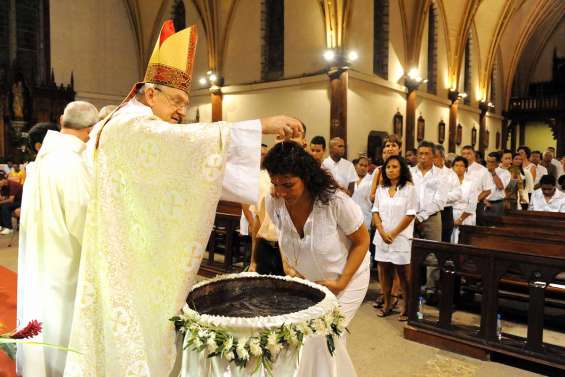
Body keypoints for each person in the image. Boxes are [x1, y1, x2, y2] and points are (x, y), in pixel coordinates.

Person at [63, 22, 303, 377]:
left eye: (185, 104)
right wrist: (262, 123)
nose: (181, 111)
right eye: (176, 101)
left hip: (126, 248)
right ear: (149, 94)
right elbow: (184, 146)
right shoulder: (131, 125)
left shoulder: (121, 123)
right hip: (125, 256)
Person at [263, 141, 369, 376]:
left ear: (306, 177)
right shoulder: (274, 202)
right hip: (311, 280)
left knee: (325, 334)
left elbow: (362, 241)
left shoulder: (334, 201)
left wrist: (342, 281)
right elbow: (287, 238)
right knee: (306, 335)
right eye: (275, 184)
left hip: (349, 277)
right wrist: (292, 270)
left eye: (288, 185)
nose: (280, 191)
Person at [16, 101, 98, 376]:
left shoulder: (43, 160)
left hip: (41, 254)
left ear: (62, 121)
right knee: (61, 320)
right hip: (65, 260)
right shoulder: (71, 164)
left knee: (44, 316)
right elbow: (85, 220)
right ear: (89, 130)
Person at [372, 156, 416, 321]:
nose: (390, 169)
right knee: (384, 272)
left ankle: (407, 307)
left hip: (401, 237)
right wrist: (382, 231)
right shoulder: (381, 189)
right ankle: (388, 304)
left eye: (394, 166)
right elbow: (375, 211)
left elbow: (411, 214)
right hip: (382, 237)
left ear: (402, 169)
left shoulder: (409, 188)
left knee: (404, 274)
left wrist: (394, 233)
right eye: (388, 167)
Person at [411, 141, 448, 298]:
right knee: (410, 251)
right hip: (410, 216)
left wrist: (422, 215)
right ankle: (411, 285)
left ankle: (431, 288)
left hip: (431, 216)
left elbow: (440, 201)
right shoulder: (410, 172)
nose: (423, 157)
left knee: (433, 253)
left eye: (427, 154)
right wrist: (412, 214)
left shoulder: (441, 175)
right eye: (421, 154)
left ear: (434, 156)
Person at [433, 144, 461, 243]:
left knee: (444, 241)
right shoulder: (426, 173)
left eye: (435, 156)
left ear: (443, 157)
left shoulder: (451, 174)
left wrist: (440, 197)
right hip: (428, 212)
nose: (432, 159)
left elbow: (457, 194)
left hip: (445, 212)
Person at [461, 145, 493, 224]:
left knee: (474, 231)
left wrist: (474, 201)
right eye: (463, 154)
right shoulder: (457, 169)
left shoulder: (482, 170)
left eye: (469, 153)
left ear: (474, 154)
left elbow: (488, 190)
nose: (466, 156)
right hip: (460, 205)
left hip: (477, 205)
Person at [450, 157, 479, 243]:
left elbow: (472, 205)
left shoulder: (471, 183)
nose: (458, 168)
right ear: (452, 167)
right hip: (451, 214)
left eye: (462, 166)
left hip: (466, 216)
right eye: (456, 165)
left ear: (466, 168)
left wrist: (460, 219)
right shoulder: (448, 181)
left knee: (464, 241)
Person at [369, 134, 401, 203]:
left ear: (400, 148)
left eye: (394, 145)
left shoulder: (406, 169)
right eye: (387, 146)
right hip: (381, 210)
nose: (390, 148)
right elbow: (371, 197)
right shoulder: (379, 170)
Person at [484, 151, 510, 216]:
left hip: (497, 203)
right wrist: (484, 200)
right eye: (488, 161)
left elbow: (500, 187)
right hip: (484, 202)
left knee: (496, 225)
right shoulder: (483, 172)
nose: (489, 164)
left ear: (498, 162)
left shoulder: (505, 172)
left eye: (492, 162)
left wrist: (493, 172)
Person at [352, 156, 373, 230]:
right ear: (356, 165)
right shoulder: (350, 178)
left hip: (365, 216)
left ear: (368, 168)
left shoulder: (372, 180)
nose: (363, 168)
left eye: (365, 166)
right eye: (361, 165)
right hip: (350, 215)